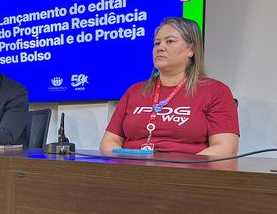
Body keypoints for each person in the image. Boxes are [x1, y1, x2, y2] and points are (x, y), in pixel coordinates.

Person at [100, 17, 239, 156]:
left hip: (185, 168)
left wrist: (181, 168)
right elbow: (109, 141)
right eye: (157, 43)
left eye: (170, 41)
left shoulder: (215, 91)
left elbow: (225, 148)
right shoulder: (134, 91)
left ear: (191, 50)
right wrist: (122, 163)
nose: (160, 48)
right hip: (131, 166)